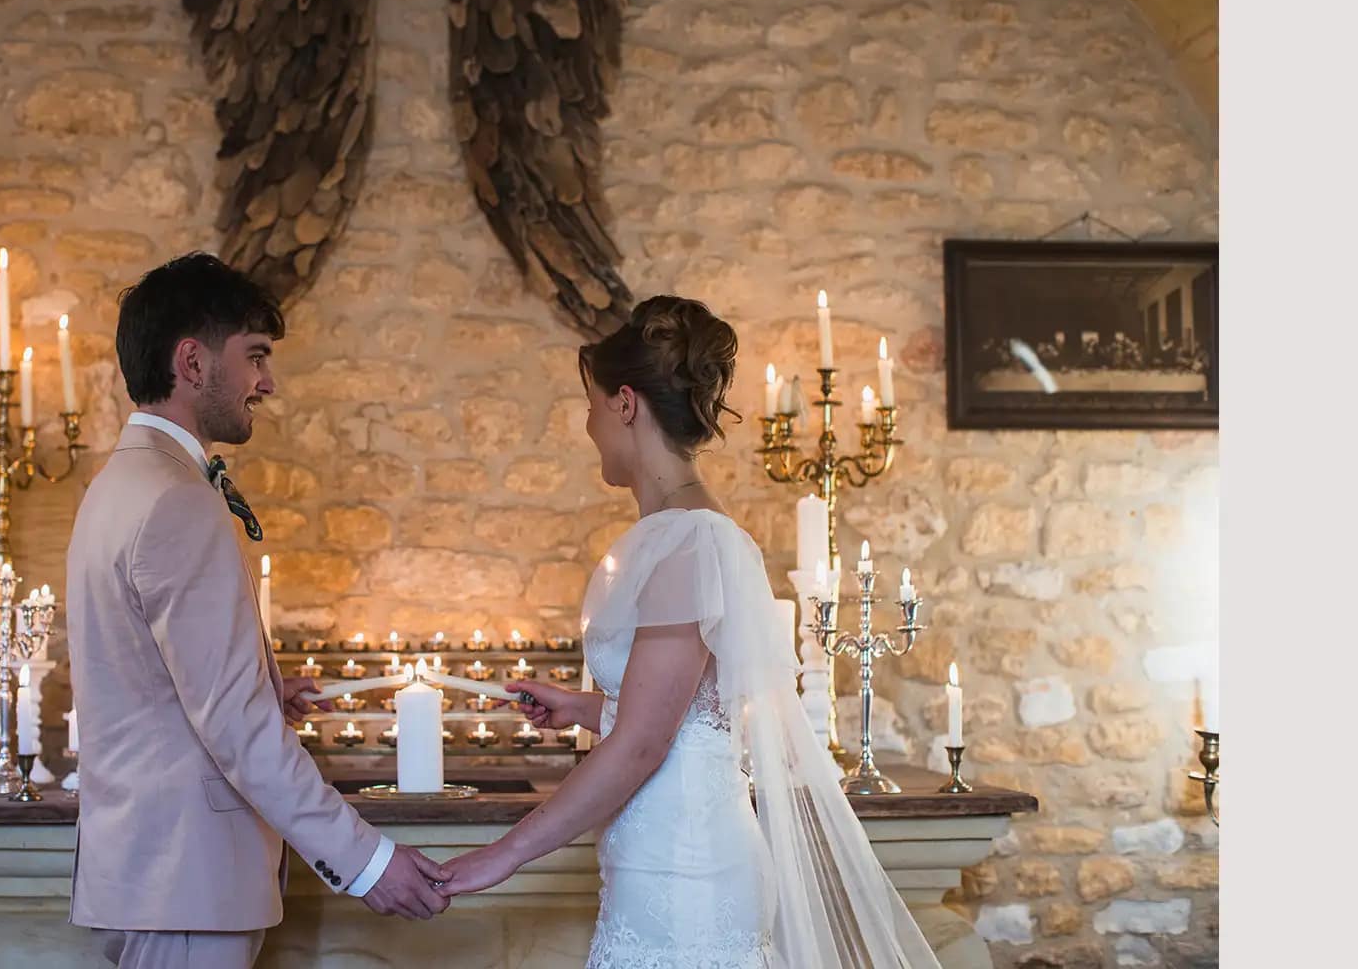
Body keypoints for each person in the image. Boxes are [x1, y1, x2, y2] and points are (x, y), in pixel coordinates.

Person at [433, 295, 941, 969]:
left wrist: (500, 856)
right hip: (653, 869)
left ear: (623, 403)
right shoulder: (673, 537)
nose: (586, 424)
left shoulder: (691, 541)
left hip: (688, 878)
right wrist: (586, 707)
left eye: (589, 403)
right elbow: (689, 713)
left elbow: (644, 745)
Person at [64, 253, 450, 969]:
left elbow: (152, 686)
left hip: (152, 873)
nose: (267, 382)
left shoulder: (120, 484)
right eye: (255, 357)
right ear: (192, 361)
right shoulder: (176, 499)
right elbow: (233, 726)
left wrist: (266, 692)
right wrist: (366, 861)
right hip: (188, 882)